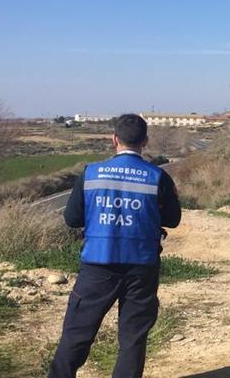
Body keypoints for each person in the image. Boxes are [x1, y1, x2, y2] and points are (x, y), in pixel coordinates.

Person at [49, 114, 182, 378]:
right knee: (132, 339)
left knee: (76, 334)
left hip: (98, 265)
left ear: (114, 139)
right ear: (145, 141)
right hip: (142, 268)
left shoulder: (91, 173)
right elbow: (173, 219)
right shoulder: (158, 177)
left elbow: (72, 218)